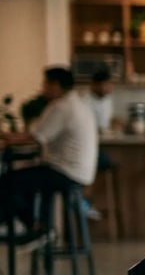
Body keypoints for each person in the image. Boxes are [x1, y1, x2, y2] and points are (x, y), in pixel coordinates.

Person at [0, 67, 99, 241]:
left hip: (66, 172)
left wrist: (7, 138)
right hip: (78, 173)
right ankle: (38, 227)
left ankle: (32, 229)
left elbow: (35, 137)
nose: (42, 88)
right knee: (26, 177)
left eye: (45, 83)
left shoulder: (62, 107)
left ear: (56, 85)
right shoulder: (76, 103)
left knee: (9, 181)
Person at [87, 68, 114, 133]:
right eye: (105, 84)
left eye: (109, 84)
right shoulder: (85, 102)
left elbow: (107, 121)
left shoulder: (108, 100)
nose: (109, 87)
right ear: (94, 85)